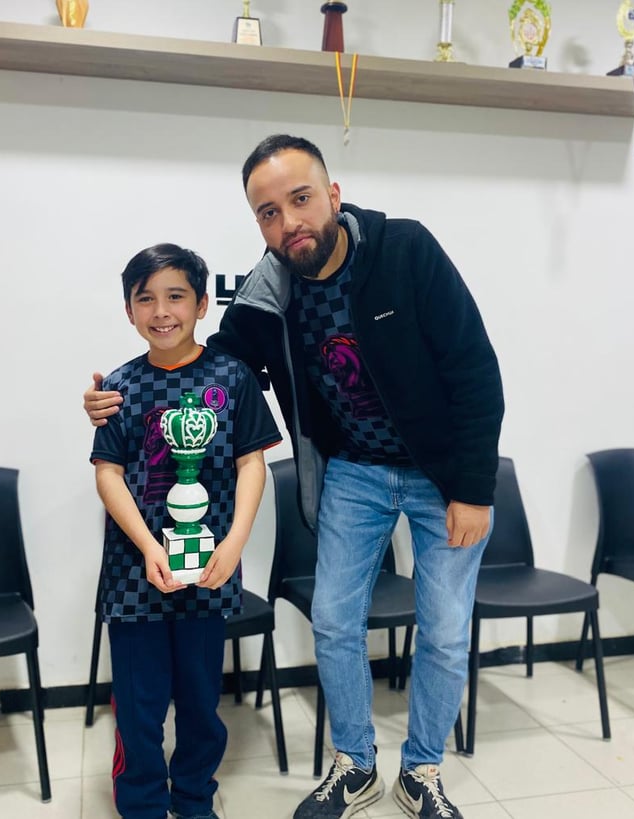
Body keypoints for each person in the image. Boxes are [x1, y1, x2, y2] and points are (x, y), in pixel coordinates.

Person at [84, 136, 504, 819]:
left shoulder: (405, 249)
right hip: (355, 472)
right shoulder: (269, 287)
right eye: (269, 212)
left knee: (447, 629)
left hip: (442, 473)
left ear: (333, 195)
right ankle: (356, 765)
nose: (289, 222)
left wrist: (474, 489)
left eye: (301, 199)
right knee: (334, 622)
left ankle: (422, 769)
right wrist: (115, 397)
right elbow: (214, 362)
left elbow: (474, 367)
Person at [90, 243, 281, 819]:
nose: (161, 311)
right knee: (139, 707)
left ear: (201, 305)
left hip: (209, 571)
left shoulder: (233, 378)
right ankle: (143, 805)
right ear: (129, 310)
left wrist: (235, 543)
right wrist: (150, 548)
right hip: (135, 576)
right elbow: (108, 475)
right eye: (145, 298)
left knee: (201, 703)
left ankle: (195, 800)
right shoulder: (118, 387)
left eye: (175, 296)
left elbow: (252, 463)